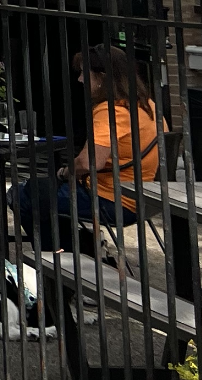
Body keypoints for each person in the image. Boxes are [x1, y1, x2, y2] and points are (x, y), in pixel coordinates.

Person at [15, 45, 165, 252]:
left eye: (85, 73)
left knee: (21, 195)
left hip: (112, 199)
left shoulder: (111, 111)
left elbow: (89, 162)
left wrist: (65, 172)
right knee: (39, 192)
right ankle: (80, 246)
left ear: (102, 77)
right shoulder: (147, 106)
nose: (80, 80)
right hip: (146, 199)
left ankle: (62, 258)